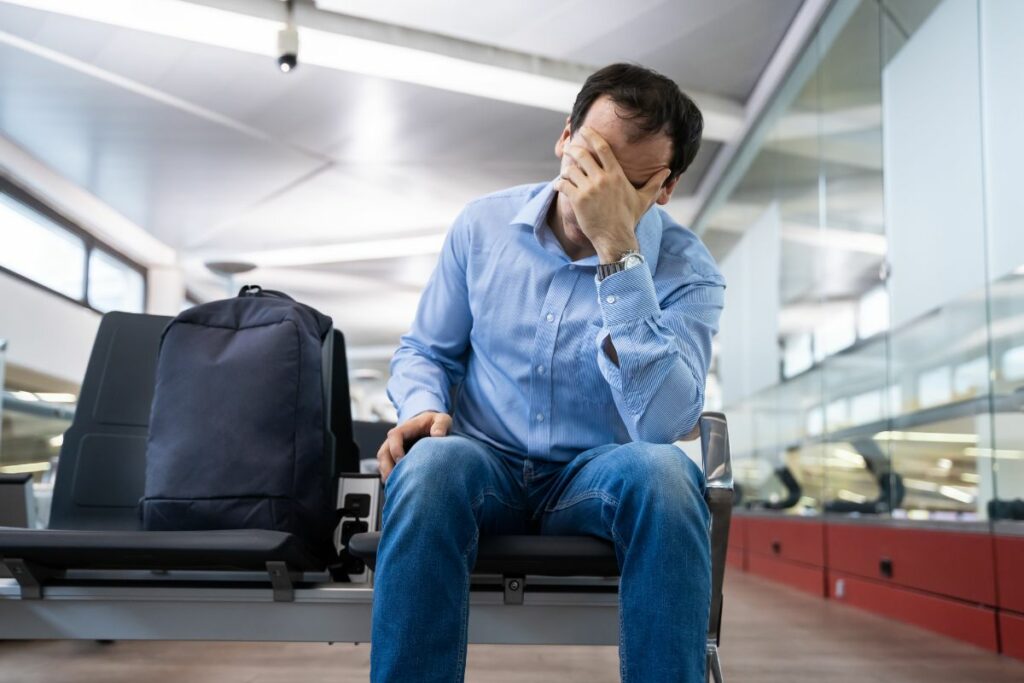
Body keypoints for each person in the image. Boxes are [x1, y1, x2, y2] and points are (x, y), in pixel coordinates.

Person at [371, 63, 726, 682]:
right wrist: (422, 405)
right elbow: (426, 349)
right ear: (566, 137)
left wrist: (620, 252)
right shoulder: (480, 227)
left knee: (668, 475)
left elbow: (665, 423)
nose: (595, 190)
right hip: (485, 461)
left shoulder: (691, 271)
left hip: (597, 475)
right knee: (430, 466)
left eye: (625, 182)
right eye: (591, 160)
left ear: (663, 188)